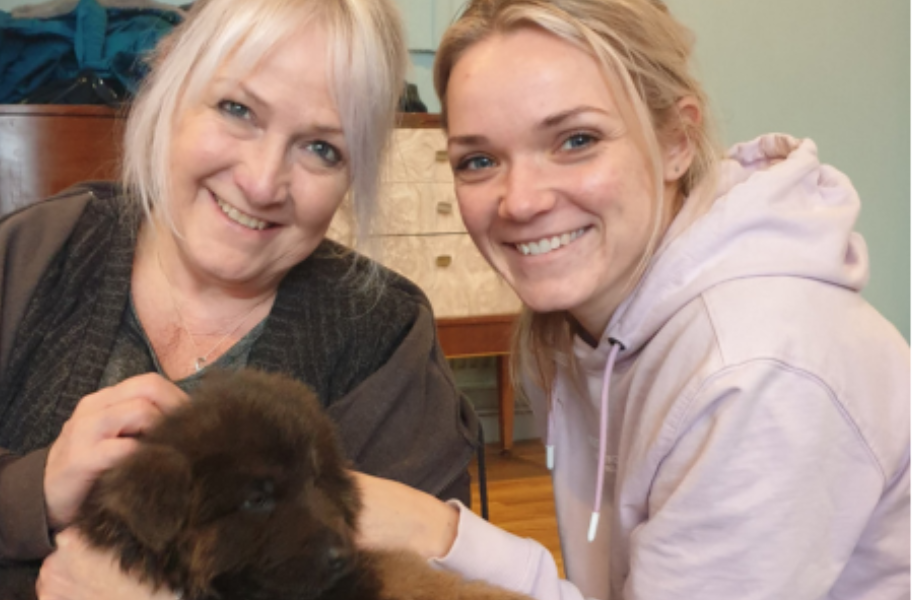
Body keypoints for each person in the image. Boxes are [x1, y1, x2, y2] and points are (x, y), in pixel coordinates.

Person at [0, 1, 481, 598]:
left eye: (321, 148)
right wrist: (24, 495)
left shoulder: (383, 347)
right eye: (237, 109)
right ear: (169, 89)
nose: (263, 180)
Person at [352, 0, 911, 598]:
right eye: (480, 160)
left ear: (677, 140)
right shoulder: (580, 326)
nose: (519, 202)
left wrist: (439, 533)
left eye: (576, 140)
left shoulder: (756, 373)